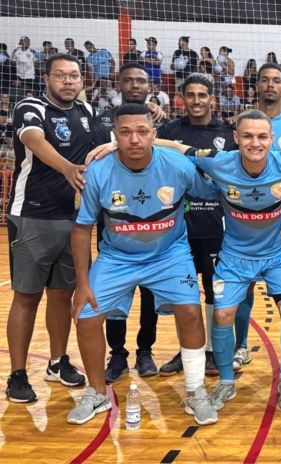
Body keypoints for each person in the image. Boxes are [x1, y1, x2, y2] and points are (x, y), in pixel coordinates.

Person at [148, 110, 281, 413]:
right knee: (222, 316)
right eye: (247, 136)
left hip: (278, 255)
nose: (255, 143)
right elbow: (180, 148)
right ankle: (226, 382)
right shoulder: (219, 161)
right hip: (235, 256)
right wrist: (118, 144)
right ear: (236, 137)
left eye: (262, 136)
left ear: (272, 139)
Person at [69, 103, 217, 426]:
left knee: (191, 312)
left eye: (142, 131)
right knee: (86, 316)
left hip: (169, 254)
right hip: (117, 256)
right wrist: (82, 283)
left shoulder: (178, 165)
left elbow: (214, 187)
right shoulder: (97, 171)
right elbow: (81, 229)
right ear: (114, 136)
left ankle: (196, 391)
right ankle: (96, 393)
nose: (134, 139)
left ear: (154, 134)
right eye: (125, 132)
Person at [6, 53, 90, 403]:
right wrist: (68, 167)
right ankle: (17, 375)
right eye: (60, 75)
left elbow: (108, 144)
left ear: (82, 81)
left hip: (73, 220)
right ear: (47, 79)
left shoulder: (86, 112)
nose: (68, 81)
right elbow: (34, 140)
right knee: (27, 297)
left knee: (61, 294)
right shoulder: (30, 106)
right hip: (32, 216)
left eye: (74, 75)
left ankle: (58, 362)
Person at [90, 61, 167, 383]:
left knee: (150, 293)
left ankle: (145, 350)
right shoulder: (100, 121)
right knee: (114, 292)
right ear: (119, 84)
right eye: (129, 80)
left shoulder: (159, 121)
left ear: (149, 86)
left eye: (141, 80)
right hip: (115, 220)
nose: (135, 85)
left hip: (152, 221)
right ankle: (117, 353)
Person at [156, 74, 238, 376]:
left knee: (215, 291)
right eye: (190, 95)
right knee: (184, 294)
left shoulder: (227, 133)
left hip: (217, 227)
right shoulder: (169, 131)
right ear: (182, 99)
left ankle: (215, 352)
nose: (196, 101)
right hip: (179, 230)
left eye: (202, 95)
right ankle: (187, 351)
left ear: (212, 99)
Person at [234, 63, 281, 373]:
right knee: (245, 285)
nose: (270, 85)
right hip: (246, 219)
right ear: (257, 86)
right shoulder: (244, 121)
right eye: (264, 80)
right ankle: (240, 346)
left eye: (276, 80)